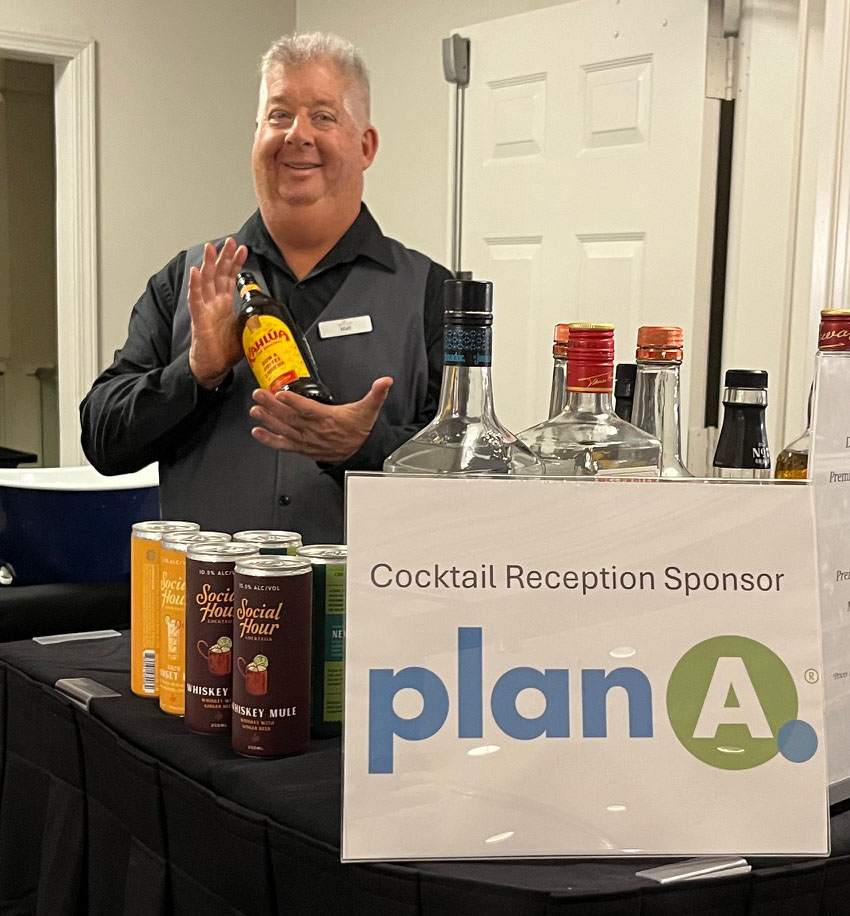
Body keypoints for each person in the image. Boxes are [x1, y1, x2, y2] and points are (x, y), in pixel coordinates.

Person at [80, 32, 452, 543]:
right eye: (279, 115)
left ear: (366, 146)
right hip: (208, 592)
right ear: (257, 135)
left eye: (323, 116)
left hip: (369, 592)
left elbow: (466, 474)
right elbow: (103, 442)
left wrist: (365, 448)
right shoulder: (186, 280)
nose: (297, 134)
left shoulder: (432, 293)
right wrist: (196, 373)